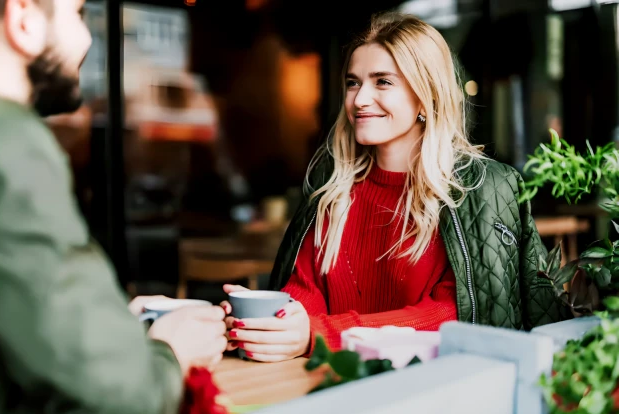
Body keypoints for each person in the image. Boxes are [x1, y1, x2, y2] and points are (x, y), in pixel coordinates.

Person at [221, 12, 564, 362]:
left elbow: (453, 313)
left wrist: (319, 334)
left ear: (425, 96)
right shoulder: (333, 188)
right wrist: (279, 317)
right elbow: (307, 289)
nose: (359, 100)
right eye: (353, 82)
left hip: (437, 394)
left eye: (382, 82)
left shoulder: (479, 190)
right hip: (334, 383)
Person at [0, 0, 226, 414]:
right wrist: (169, 355)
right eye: (77, 14)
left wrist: (108, 329)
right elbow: (120, 403)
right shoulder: (4, 142)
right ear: (23, 20)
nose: (89, 39)